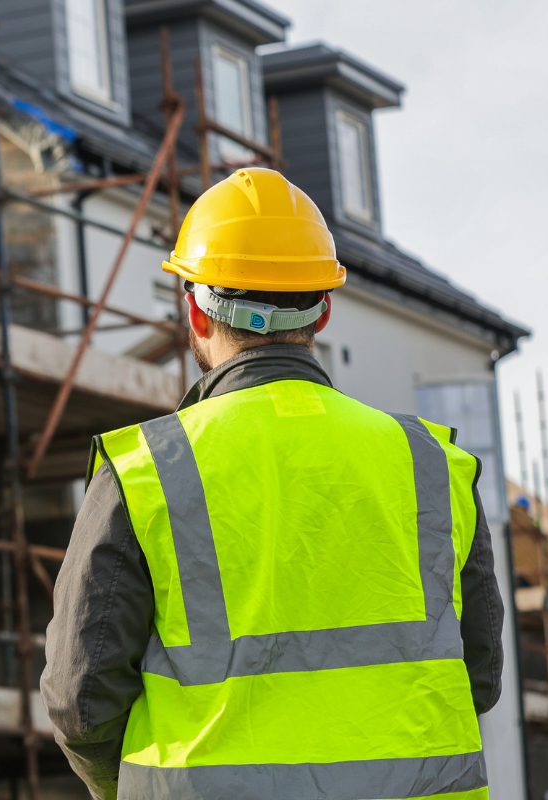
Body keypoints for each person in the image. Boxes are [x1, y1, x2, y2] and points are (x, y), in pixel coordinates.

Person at [41, 169, 504, 800]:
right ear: (324, 311)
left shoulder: (146, 469)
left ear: (196, 313)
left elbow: (81, 699)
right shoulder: (431, 463)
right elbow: (478, 674)